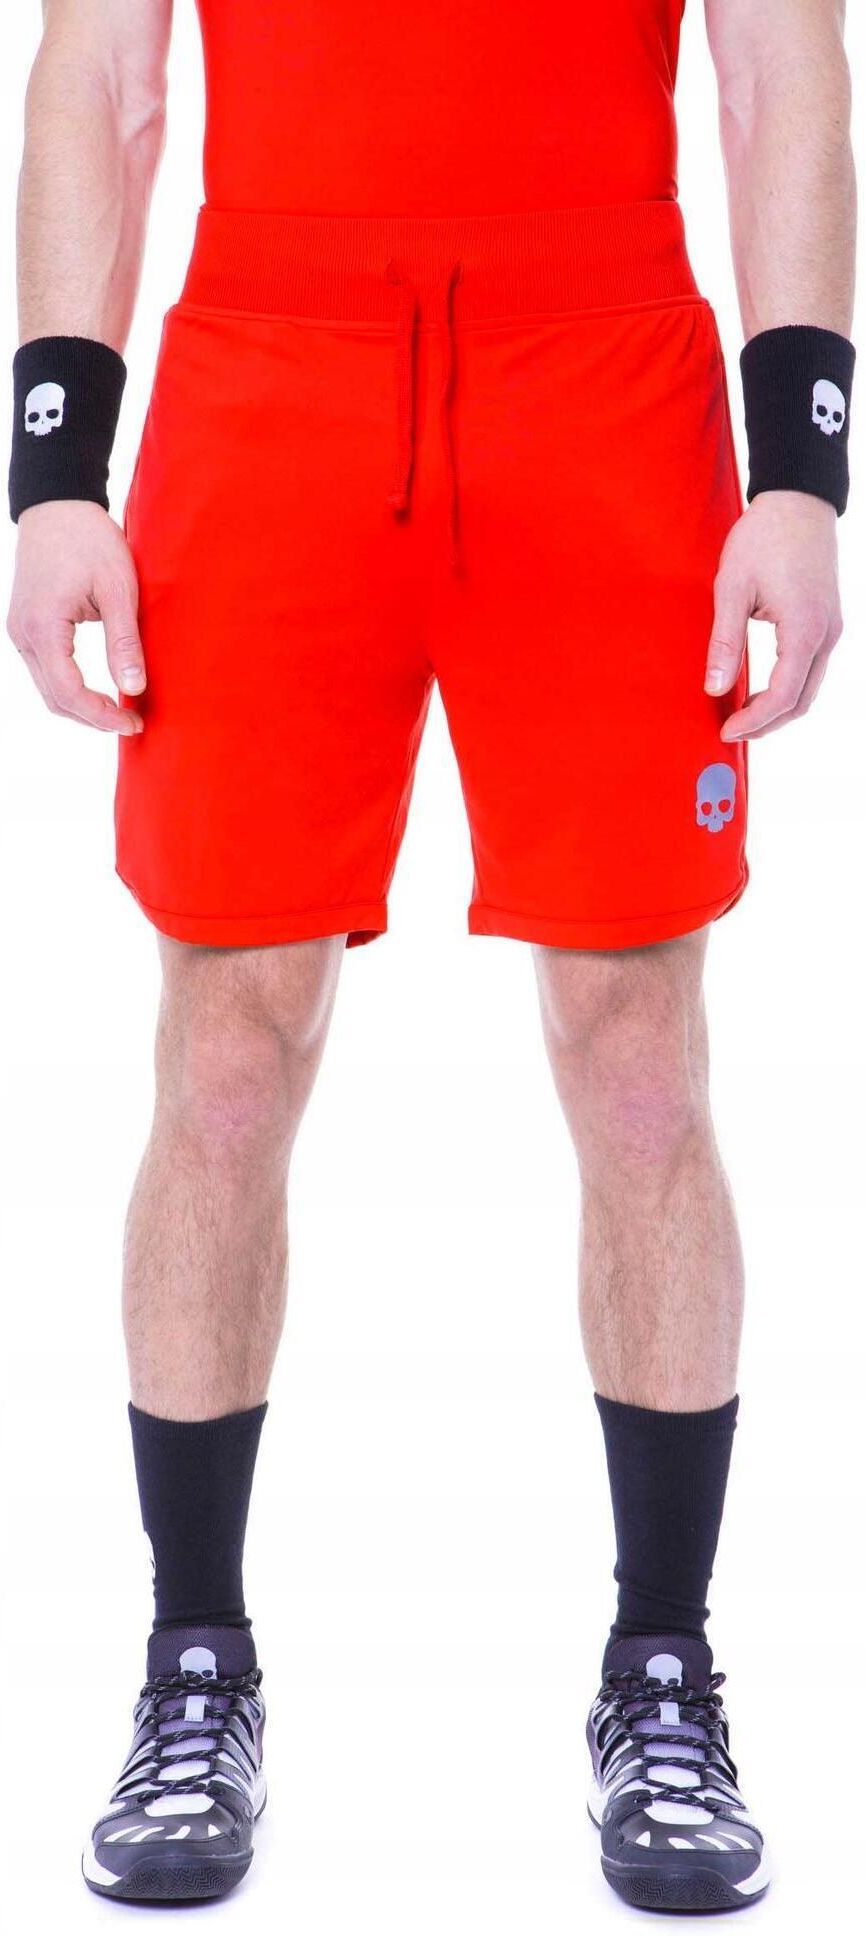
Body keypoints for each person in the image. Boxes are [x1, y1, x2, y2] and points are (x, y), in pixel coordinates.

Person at [6, 0, 855, 1914]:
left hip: (604, 371)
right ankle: (192, 1663)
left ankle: (662, 1670)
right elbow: (103, 72)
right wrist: (55, 468)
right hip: (268, 371)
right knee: (227, 1048)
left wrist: (799, 472)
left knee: (636, 1051)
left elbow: (777, 62)